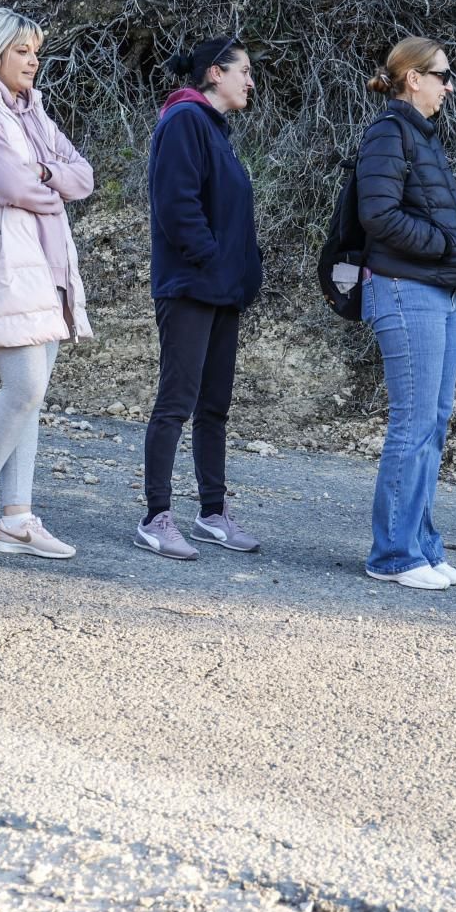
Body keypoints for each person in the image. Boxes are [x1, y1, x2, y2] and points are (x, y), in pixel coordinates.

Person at [0, 8, 94, 560]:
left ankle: (18, 516)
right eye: (22, 50)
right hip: (2, 263)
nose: (33, 60)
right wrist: (44, 178)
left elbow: (83, 175)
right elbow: (11, 185)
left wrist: (46, 173)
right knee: (23, 387)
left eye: (36, 51)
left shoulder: (32, 111)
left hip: (46, 264)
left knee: (34, 396)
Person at [355, 37, 456, 590]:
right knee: (413, 423)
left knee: (433, 423)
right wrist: (442, 247)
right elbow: (378, 216)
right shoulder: (389, 132)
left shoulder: (420, 136)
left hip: (440, 292)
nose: (449, 85)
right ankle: (392, 556)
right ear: (414, 79)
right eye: (442, 75)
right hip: (408, 291)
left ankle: (422, 546)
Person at [135, 37, 264, 560]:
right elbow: (176, 204)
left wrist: (241, 274)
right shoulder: (185, 121)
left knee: (214, 407)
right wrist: (211, 260)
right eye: (244, 71)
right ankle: (155, 517)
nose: (251, 81)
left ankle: (212, 513)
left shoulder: (216, 131)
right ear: (215, 73)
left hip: (220, 291)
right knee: (176, 403)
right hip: (190, 287)